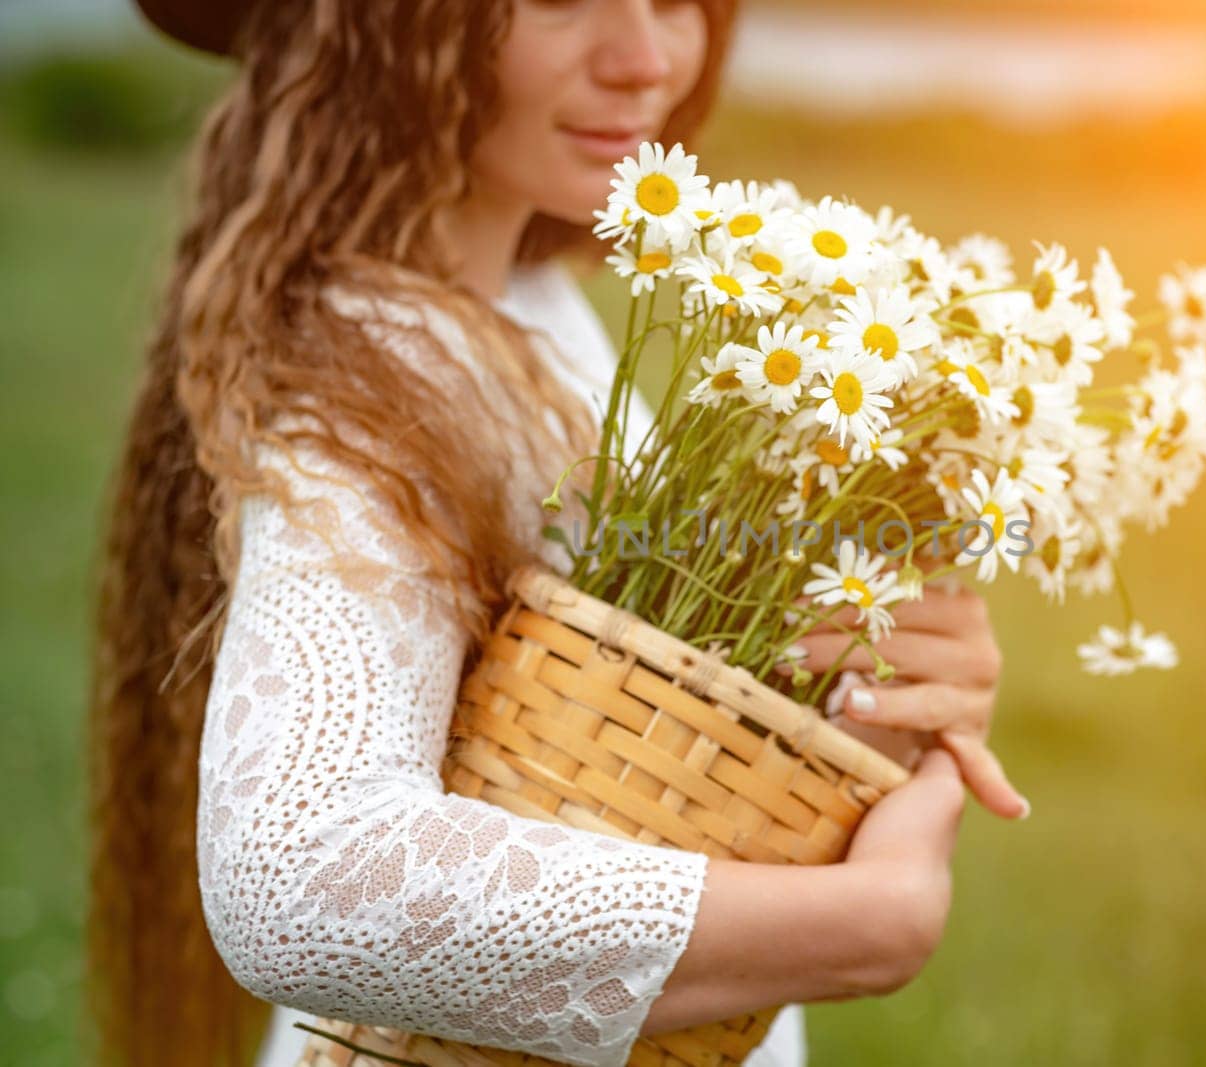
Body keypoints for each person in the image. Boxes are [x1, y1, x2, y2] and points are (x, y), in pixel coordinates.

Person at [87, 1, 1029, 1065]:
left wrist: (867, 694)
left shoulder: (530, 301)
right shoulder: (366, 385)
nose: (646, 61)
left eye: (675, 0)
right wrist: (865, 922)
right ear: (386, 29)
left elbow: (613, 746)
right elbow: (302, 873)